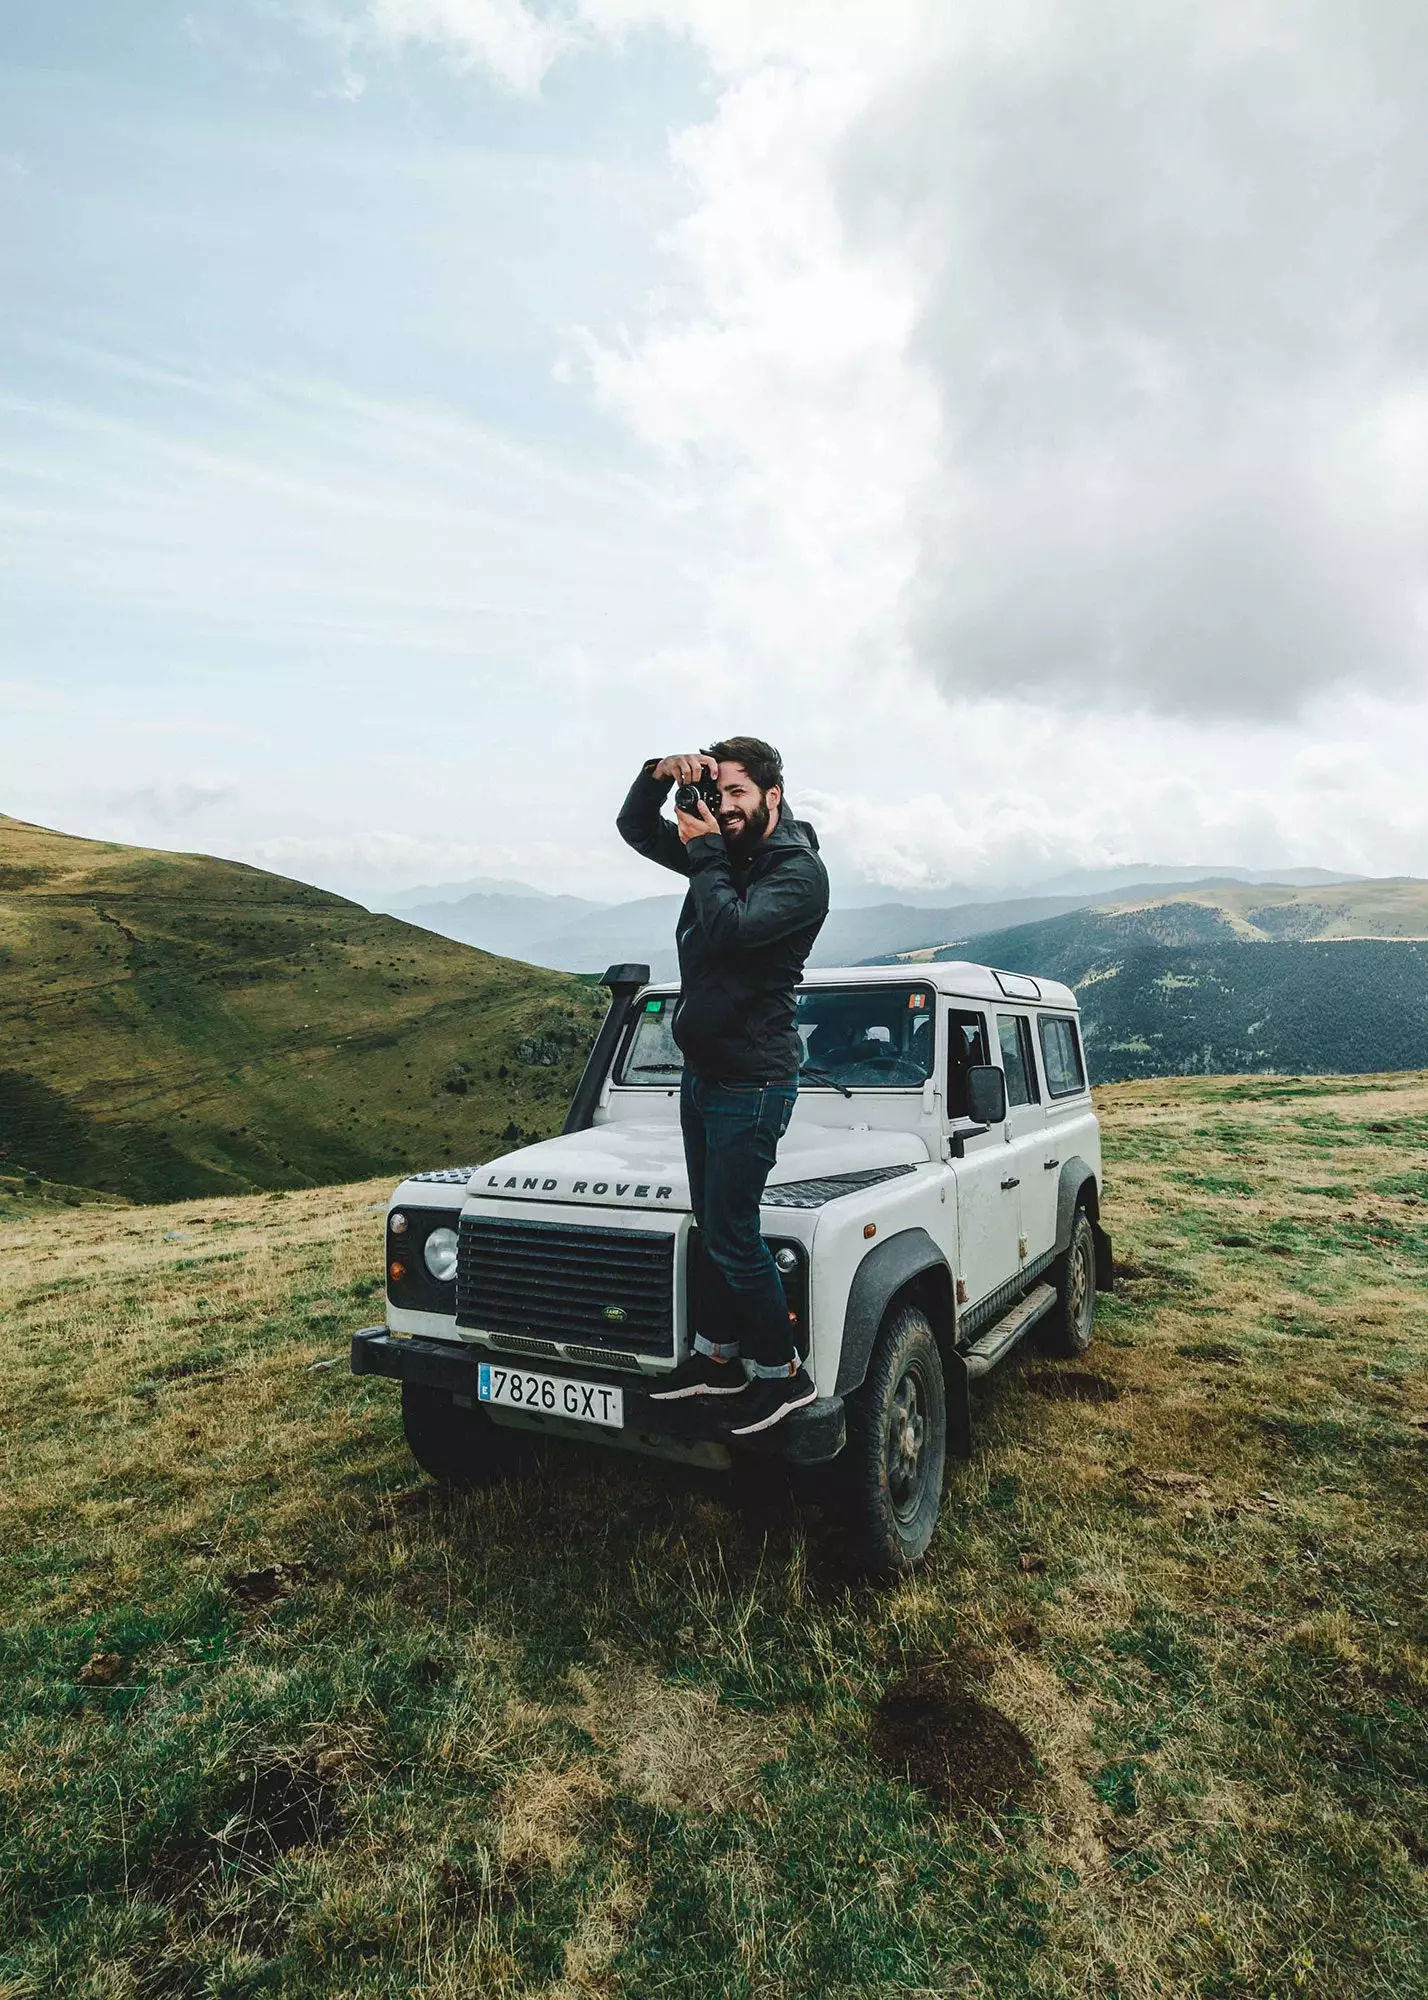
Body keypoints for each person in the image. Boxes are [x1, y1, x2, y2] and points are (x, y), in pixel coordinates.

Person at [616, 737, 829, 1435]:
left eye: (737, 793)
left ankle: (781, 1375)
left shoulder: (797, 873)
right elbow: (635, 828)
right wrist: (656, 776)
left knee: (736, 1235)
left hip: (755, 1080)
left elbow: (735, 931)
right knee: (713, 1227)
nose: (725, 807)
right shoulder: (725, 853)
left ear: (772, 795)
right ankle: (714, 1359)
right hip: (704, 1076)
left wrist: (705, 851)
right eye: (717, 793)